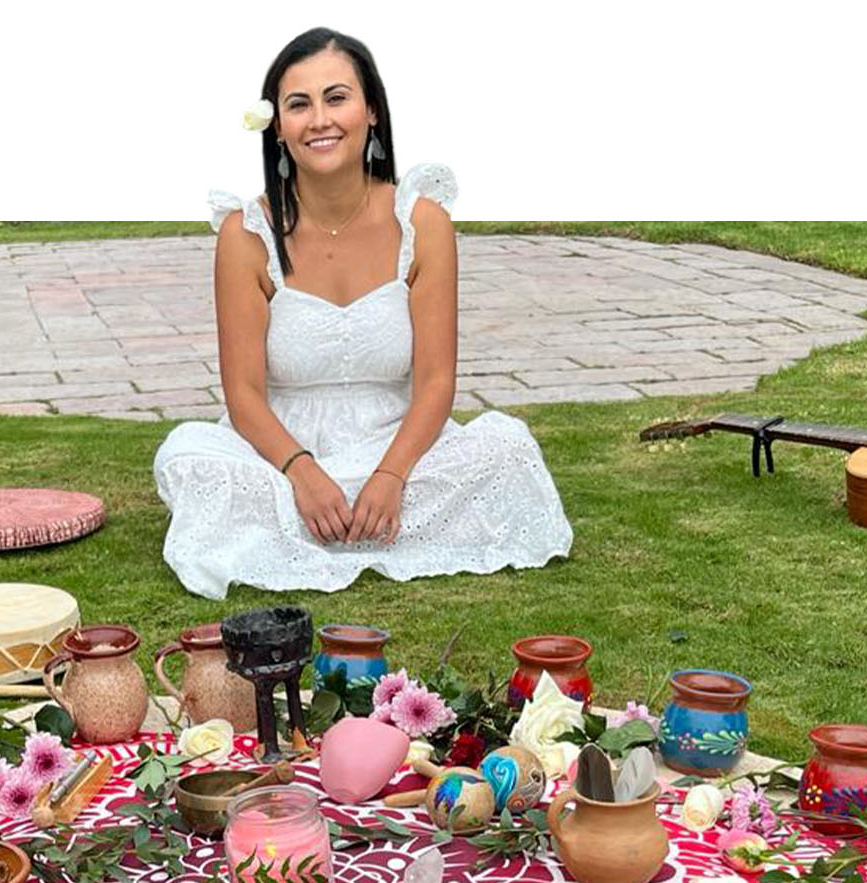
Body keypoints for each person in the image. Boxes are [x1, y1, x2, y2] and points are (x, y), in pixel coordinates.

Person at [152, 26, 573, 602]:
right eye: (299, 105)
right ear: (278, 126)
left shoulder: (422, 222)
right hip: (282, 454)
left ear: (371, 111)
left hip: (399, 445)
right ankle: (331, 517)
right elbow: (243, 394)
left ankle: (349, 521)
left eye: (337, 98)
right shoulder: (245, 233)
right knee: (189, 458)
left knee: (508, 449)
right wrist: (301, 473)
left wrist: (392, 475)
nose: (319, 120)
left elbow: (436, 382)